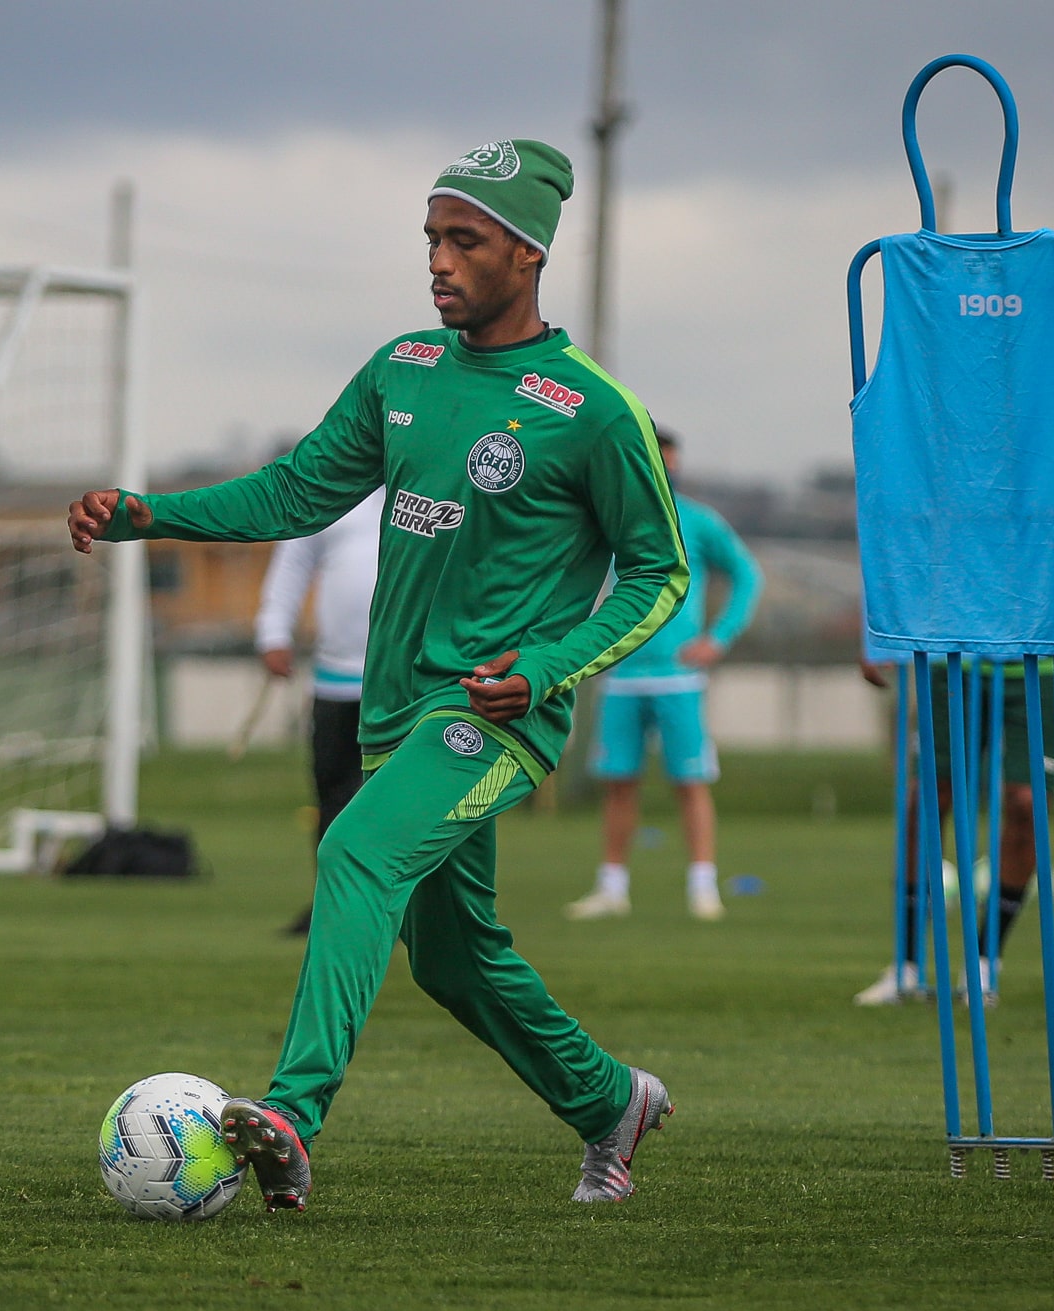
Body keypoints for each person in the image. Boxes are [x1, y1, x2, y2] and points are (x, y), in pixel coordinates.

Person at [69, 139, 689, 1211]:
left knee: (352, 848)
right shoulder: (402, 368)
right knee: (452, 959)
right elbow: (294, 492)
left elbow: (658, 574)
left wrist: (547, 667)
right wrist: (149, 515)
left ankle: (291, 1115)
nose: (439, 261)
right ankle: (608, 1102)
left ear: (527, 253)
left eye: (465, 240)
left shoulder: (593, 411)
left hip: (491, 714)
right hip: (391, 709)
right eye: (431, 239)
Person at [854, 507, 1054, 1006]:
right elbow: (905, 526)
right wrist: (877, 628)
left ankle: (984, 962)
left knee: (1027, 803)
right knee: (927, 798)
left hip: (1046, 653)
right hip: (953, 646)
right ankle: (906, 964)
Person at [565, 429, 761, 922]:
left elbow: (746, 574)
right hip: (621, 674)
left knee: (690, 782)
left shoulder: (696, 519)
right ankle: (611, 888)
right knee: (618, 782)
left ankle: (703, 887)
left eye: (671, 463)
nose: (665, 471)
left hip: (679, 677)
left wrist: (719, 638)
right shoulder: (613, 516)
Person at [254, 488, 382, 937]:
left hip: (405, 679)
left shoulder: (429, 484)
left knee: (398, 797)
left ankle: (404, 908)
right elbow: (292, 563)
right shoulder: (332, 491)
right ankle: (332, 906)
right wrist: (273, 632)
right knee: (333, 794)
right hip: (335, 678)